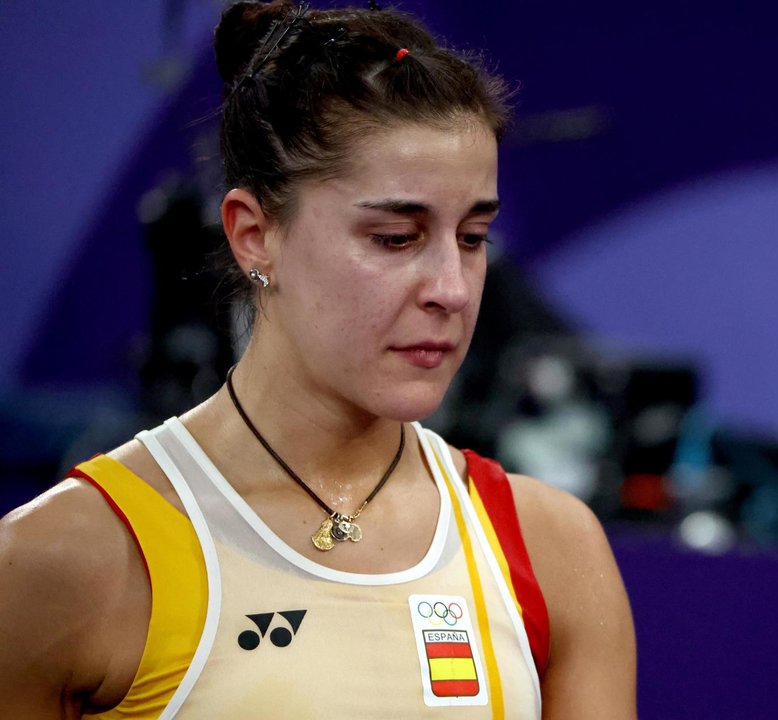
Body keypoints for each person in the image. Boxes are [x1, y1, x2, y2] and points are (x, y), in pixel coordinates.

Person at [0, 2, 637, 717]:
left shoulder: (554, 550)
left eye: (473, 236)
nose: (452, 291)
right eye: (396, 237)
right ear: (254, 235)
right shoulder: (65, 559)